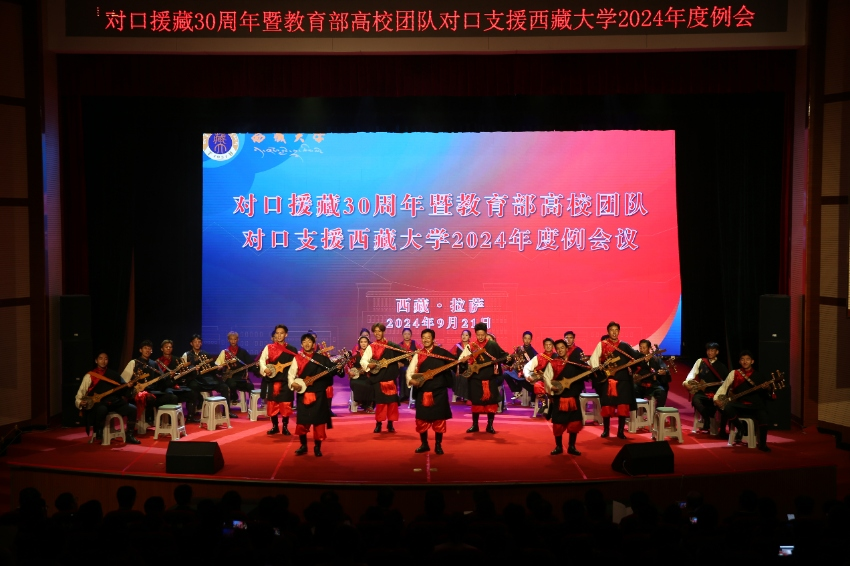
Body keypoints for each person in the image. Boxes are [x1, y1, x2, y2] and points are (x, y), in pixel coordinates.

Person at [287, 333, 344, 456]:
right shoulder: (297, 358)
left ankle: (317, 447)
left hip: (319, 394)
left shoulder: (322, 359)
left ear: (314, 344)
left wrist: (339, 368)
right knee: (302, 422)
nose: (307, 344)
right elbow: (291, 374)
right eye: (304, 341)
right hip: (303, 393)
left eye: (309, 341)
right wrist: (293, 383)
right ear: (301, 344)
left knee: (319, 423)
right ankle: (303, 446)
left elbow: (333, 370)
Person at [532, 339, 588, 455]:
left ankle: (572, 446)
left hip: (573, 398)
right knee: (558, 424)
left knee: (574, 423)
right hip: (559, 398)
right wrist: (551, 387)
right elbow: (546, 377)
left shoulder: (575, 363)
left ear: (567, 349)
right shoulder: (553, 363)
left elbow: (586, 373)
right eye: (558, 348)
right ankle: (558, 447)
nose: (560, 350)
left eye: (562, 347)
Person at [714, 350, 776, 452]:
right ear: (739, 361)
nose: (745, 361)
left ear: (752, 361)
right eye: (742, 359)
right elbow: (724, 387)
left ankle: (763, 443)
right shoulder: (735, 373)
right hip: (740, 405)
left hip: (755, 406)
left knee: (764, 415)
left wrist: (768, 388)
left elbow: (768, 395)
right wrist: (716, 398)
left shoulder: (759, 375)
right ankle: (740, 428)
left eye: (748, 359)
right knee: (727, 407)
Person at [75, 352, 141, 444]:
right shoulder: (90, 376)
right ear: (96, 361)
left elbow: (123, 390)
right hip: (100, 403)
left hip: (114, 402)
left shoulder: (114, 375)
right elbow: (80, 393)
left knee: (132, 409)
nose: (103, 361)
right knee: (102, 409)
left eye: (106, 359)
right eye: (100, 358)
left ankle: (129, 435)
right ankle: (98, 430)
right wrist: (80, 402)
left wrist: (128, 387)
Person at [458, 322, 512, 434]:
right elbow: (462, 359)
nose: (480, 337)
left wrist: (509, 358)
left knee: (491, 403)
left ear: (486, 333)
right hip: (475, 379)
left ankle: (490, 425)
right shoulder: (471, 346)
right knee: (476, 403)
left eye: (482, 334)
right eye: (478, 335)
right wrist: (463, 362)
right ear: (475, 334)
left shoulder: (492, 345)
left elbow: (503, 355)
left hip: (490, 378)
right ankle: (475, 425)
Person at [406, 328, 454, 454]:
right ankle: (424, 444)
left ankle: (438, 445)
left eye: (428, 337)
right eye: (423, 337)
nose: (426, 340)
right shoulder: (419, 354)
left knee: (439, 420)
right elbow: (410, 372)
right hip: (423, 392)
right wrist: (411, 381)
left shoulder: (441, 353)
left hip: (439, 392)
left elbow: (455, 362)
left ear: (433, 339)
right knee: (421, 420)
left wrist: (463, 361)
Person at [589, 322, 640, 439]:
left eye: (616, 330)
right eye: (612, 330)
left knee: (623, 406)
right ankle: (606, 430)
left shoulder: (624, 345)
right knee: (607, 405)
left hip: (623, 380)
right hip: (609, 379)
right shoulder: (602, 344)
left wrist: (636, 362)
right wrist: (599, 369)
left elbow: (636, 357)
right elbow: (593, 359)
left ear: (619, 331)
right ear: (608, 332)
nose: (614, 332)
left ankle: (620, 431)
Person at [121, 340, 178, 430]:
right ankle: (149, 418)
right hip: (137, 394)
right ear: (140, 350)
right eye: (145, 348)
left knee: (172, 397)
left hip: (152, 392)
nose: (147, 350)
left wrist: (169, 376)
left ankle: (171, 424)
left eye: (149, 349)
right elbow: (123, 380)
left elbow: (162, 378)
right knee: (149, 397)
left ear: (151, 351)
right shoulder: (134, 362)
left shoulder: (153, 364)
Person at [360, 322, 407, 433]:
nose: (377, 333)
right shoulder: (371, 347)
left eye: (379, 331)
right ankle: (379, 424)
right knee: (380, 404)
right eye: (375, 331)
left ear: (383, 332)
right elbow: (363, 360)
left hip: (391, 378)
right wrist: (368, 365)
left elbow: (403, 354)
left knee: (392, 404)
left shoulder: (391, 345)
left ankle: (390, 423)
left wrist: (407, 358)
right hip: (378, 379)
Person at [258, 325, 299, 435]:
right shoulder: (269, 347)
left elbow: (296, 365)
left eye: (282, 333)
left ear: (286, 334)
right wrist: (265, 369)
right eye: (277, 333)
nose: (279, 335)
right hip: (273, 381)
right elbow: (261, 360)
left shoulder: (292, 349)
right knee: (273, 405)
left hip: (286, 381)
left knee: (286, 405)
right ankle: (275, 426)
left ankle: (285, 427)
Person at [183, 334, 235, 418]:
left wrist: (218, 368)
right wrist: (192, 369)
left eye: (199, 342)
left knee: (224, 387)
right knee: (192, 387)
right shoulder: (186, 355)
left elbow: (213, 369)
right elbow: (183, 370)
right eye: (195, 342)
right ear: (191, 343)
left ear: (201, 343)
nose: (197, 344)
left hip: (208, 379)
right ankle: (191, 415)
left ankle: (226, 412)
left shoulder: (206, 354)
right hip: (195, 379)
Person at [684, 342, 728, 434]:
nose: (710, 352)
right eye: (708, 350)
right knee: (695, 400)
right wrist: (687, 382)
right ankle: (707, 418)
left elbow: (726, 383)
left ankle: (719, 428)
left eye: (712, 350)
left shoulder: (722, 366)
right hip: (702, 392)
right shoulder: (701, 361)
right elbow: (691, 375)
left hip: (715, 393)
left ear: (717, 352)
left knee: (721, 406)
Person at [154, 339, 197, 422]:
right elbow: (157, 378)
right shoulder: (157, 362)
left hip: (176, 385)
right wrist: (168, 376)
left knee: (192, 393)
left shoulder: (177, 359)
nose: (168, 348)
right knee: (172, 396)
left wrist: (183, 372)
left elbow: (183, 374)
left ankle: (190, 417)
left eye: (170, 347)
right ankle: (172, 421)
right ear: (162, 349)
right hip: (165, 387)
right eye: (166, 347)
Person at [215, 331, 255, 410]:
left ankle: (252, 408)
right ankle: (234, 396)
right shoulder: (224, 352)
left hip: (241, 378)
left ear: (238, 339)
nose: (233, 341)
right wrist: (219, 368)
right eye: (231, 339)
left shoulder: (243, 352)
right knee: (232, 384)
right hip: (230, 378)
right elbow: (217, 365)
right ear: (228, 340)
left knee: (250, 386)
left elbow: (250, 363)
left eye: (235, 339)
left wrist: (256, 367)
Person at [631, 339, 671, 408]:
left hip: (652, 385)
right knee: (633, 388)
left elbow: (665, 369)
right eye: (640, 347)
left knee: (661, 391)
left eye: (644, 348)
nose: (642, 350)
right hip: (640, 385)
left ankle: (658, 411)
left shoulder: (656, 359)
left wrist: (664, 372)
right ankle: (639, 410)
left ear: (649, 348)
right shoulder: (637, 359)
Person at [505, 330, 536, 401]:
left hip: (527, 373)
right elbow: (512, 358)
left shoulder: (533, 352)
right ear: (522, 338)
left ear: (531, 340)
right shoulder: (519, 349)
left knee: (531, 384)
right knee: (506, 374)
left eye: (529, 339)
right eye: (525, 338)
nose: (527, 340)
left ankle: (532, 399)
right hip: (517, 371)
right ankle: (516, 390)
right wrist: (510, 359)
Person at [348, 335, 375, 413]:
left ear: (368, 343)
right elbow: (349, 366)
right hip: (357, 377)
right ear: (359, 343)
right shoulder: (355, 354)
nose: (363, 344)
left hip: (368, 376)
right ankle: (361, 402)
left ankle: (369, 406)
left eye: (365, 342)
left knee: (372, 384)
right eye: (361, 342)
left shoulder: (372, 354)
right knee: (357, 383)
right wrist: (350, 372)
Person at [449, 330, 471, 402]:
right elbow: (450, 356)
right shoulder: (457, 346)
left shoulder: (471, 346)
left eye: (466, 335)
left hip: (469, 368)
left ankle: (467, 397)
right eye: (463, 335)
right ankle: (455, 396)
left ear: (469, 337)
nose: (464, 336)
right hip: (458, 368)